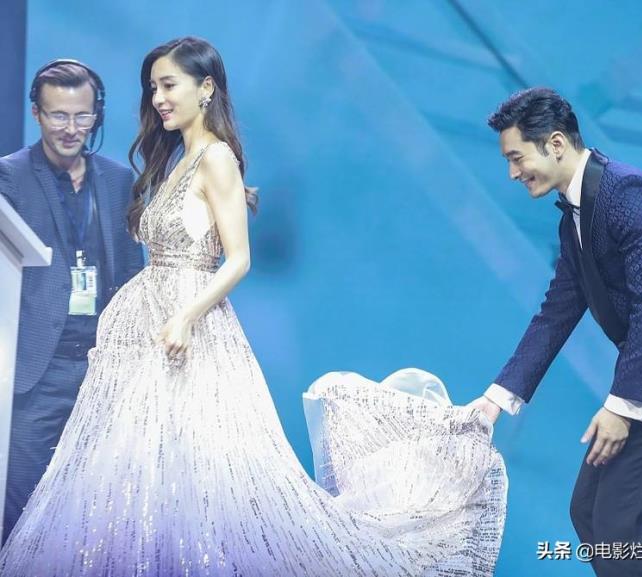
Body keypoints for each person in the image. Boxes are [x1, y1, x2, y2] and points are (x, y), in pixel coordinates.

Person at [0, 37, 506, 576]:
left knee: (198, 476)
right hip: (146, 337)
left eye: (168, 85)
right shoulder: (177, 159)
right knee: (140, 474)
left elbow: (238, 259)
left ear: (206, 88)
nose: (159, 98)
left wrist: (185, 316)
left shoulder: (216, 158)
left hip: (188, 336)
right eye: (153, 88)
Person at [472, 87, 642, 577]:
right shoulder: (578, 211)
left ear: (555, 143)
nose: (512, 173)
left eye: (516, 157)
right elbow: (557, 312)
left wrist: (621, 406)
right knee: (589, 513)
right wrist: (496, 399)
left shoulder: (629, 195)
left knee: (618, 524)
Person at [0, 59, 144, 541]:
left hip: (103, 367)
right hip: (37, 370)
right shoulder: (9, 178)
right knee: (19, 506)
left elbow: (131, 276)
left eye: (82, 116)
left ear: (97, 114)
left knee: (95, 507)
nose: (70, 128)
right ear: (36, 113)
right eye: (58, 115)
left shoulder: (117, 180)